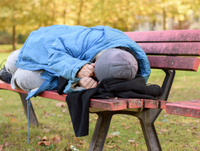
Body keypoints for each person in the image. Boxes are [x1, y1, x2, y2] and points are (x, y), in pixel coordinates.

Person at [0, 25, 151, 100]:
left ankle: (10, 77)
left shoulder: (131, 67)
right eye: (93, 67)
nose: (92, 71)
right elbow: (56, 51)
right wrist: (77, 68)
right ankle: (7, 71)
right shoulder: (96, 39)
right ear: (97, 57)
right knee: (13, 61)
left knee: (22, 77)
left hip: (57, 73)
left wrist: (78, 84)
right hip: (48, 48)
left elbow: (105, 88)